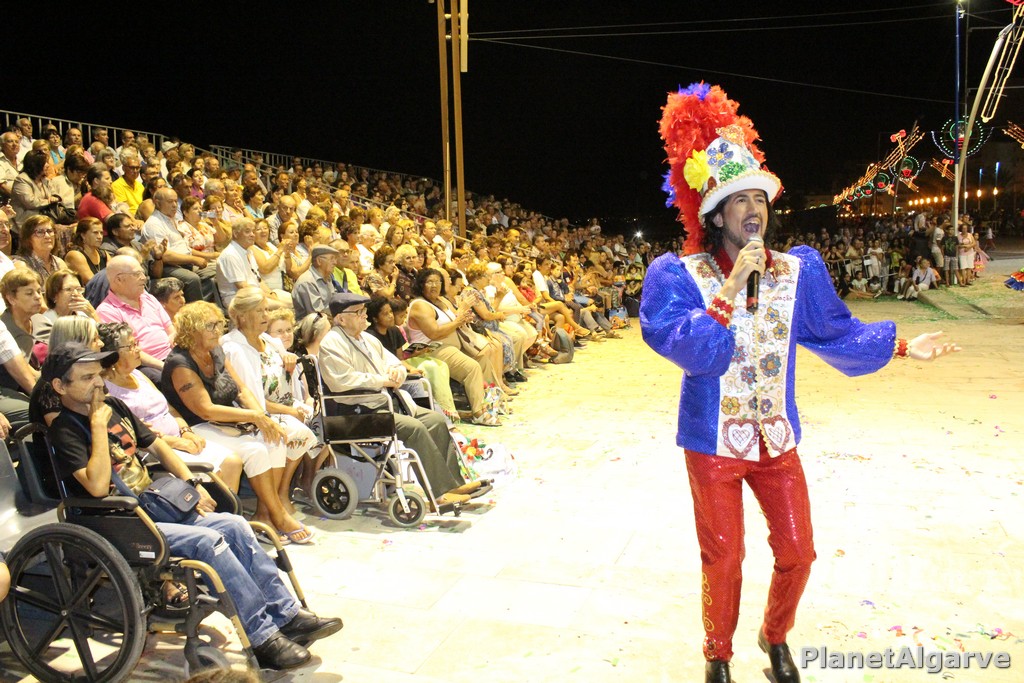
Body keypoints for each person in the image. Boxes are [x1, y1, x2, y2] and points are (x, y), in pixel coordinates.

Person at [643, 82, 960, 683]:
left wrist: (899, 346)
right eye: (739, 200)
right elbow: (692, 349)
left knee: (798, 551)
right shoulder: (678, 276)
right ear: (715, 215)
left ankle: (774, 635)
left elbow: (835, 333)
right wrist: (730, 288)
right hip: (711, 442)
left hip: (777, 438)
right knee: (725, 556)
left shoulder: (796, 271)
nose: (754, 209)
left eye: (759, 198)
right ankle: (718, 654)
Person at [44, 342, 342, 670]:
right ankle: (261, 637)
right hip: (118, 521)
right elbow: (98, 486)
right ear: (60, 386)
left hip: (152, 505)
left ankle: (286, 615)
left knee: (236, 525)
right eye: (87, 378)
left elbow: (158, 446)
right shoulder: (65, 429)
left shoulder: (114, 406)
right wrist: (98, 427)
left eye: (99, 375)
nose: (99, 383)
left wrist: (192, 484)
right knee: (208, 542)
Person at [162, 302, 312, 544]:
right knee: (255, 450)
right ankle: (279, 516)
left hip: (226, 421)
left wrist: (262, 416)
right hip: (197, 427)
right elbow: (205, 410)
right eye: (210, 326)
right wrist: (254, 417)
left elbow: (241, 389)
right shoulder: (180, 363)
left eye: (219, 325)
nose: (217, 331)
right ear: (192, 330)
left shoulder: (216, 351)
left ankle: (264, 515)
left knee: (275, 439)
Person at [318, 292, 483, 507]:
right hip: (356, 411)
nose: (364, 315)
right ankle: (439, 495)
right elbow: (342, 381)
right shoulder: (331, 343)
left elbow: (395, 362)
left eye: (364, 310)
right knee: (415, 428)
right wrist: (383, 380)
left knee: (435, 420)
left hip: (384, 402)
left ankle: (452, 484)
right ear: (341, 318)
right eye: (358, 312)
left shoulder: (368, 338)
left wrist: (398, 372)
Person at [220, 289, 328, 518]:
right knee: (289, 433)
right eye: (259, 311)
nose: (265, 316)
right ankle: (270, 505)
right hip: (251, 413)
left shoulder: (268, 340)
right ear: (242, 316)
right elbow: (247, 395)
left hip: (283, 403)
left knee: (320, 420)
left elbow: (288, 363)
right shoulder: (233, 347)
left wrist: (288, 357)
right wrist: (284, 412)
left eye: (266, 310)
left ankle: (282, 494)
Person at [97, 322, 243, 490]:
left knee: (233, 462)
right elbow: (138, 435)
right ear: (113, 355)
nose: (139, 349)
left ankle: (225, 507)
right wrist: (177, 443)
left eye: (136, 343)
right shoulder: (107, 391)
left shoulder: (138, 375)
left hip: (179, 437)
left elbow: (169, 409)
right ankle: (211, 506)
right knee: (214, 471)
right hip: (155, 451)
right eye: (131, 346)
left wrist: (186, 431)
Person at [291, 245, 345, 320]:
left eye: (335, 259)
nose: (335, 262)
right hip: (314, 324)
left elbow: (334, 302)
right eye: (332, 258)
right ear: (319, 261)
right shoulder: (307, 282)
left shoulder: (328, 278)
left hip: (329, 319)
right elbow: (318, 315)